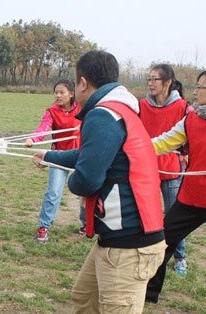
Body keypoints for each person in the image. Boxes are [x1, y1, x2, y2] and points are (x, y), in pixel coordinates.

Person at [33, 50, 166, 313]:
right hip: (118, 239)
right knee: (85, 298)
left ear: (82, 83)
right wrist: (50, 155)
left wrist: (73, 181)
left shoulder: (102, 116)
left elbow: (86, 181)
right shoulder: (119, 110)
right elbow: (92, 154)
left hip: (129, 244)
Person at [145, 70, 206, 304]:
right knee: (161, 242)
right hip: (192, 198)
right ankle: (149, 294)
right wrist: (134, 147)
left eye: (200, 87)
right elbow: (163, 142)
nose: (195, 91)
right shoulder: (191, 119)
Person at [139, 63, 190, 276]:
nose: (150, 83)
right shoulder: (141, 105)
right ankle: (145, 253)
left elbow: (190, 137)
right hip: (146, 168)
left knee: (173, 217)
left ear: (167, 82)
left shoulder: (183, 107)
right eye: (148, 79)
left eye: (155, 79)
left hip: (171, 170)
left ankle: (179, 257)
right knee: (145, 213)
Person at [24, 79, 85, 243]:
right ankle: (44, 227)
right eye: (56, 92)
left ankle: (87, 224)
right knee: (53, 193)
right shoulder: (51, 111)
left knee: (87, 191)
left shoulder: (83, 107)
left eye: (62, 92)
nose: (58, 95)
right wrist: (33, 139)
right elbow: (43, 128)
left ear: (71, 93)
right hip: (59, 156)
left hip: (81, 155)